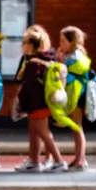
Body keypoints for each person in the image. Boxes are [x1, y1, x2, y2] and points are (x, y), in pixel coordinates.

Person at [14, 25, 65, 172]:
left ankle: (58, 160)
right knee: (36, 131)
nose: (21, 47)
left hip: (36, 103)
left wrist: (22, 103)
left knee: (43, 133)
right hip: (43, 102)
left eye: (23, 43)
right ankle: (34, 160)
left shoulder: (33, 65)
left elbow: (29, 87)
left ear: (30, 45)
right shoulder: (45, 60)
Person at [56, 26, 92, 171]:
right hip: (75, 94)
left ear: (72, 42)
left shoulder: (75, 58)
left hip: (77, 95)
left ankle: (81, 160)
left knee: (77, 128)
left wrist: (61, 63)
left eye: (63, 41)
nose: (60, 44)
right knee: (75, 128)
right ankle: (78, 158)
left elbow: (68, 75)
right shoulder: (73, 56)